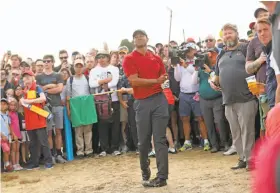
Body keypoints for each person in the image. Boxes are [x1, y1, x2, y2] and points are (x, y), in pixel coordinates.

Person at [123, 29, 169, 187]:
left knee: (160, 140)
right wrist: (156, 80)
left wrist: (163, 79)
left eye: (141, 35)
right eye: (135, 37)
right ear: (133, 41)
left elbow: (163, 78)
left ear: (147, 38)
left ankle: (162, 177)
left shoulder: (156, 57)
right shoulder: (129, 58)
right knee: (143, 142)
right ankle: (145, 169)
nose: (139, 38)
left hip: (159, 100)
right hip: (142, 102)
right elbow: (134, 81)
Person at [211, 23, 258, 170]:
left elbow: (255, 66)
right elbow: (217, 76)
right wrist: (213, 82)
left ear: (236, 33)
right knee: (236, 132)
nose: (227, 36)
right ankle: (242, 158)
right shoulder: (221, 55)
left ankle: (250, 159)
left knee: (247, 130)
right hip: (228, 99)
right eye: (225, 34)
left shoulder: (246, 48)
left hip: (247, 97)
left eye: (230, 32)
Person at [174, 43, 210, 152]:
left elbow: (196, 75)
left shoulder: (198, 60)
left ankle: (206, 141)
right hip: (184, 94)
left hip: (196, 93)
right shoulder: (181, 62)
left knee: (200, 118)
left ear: (194, 50)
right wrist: (177, 66)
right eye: (187, 50)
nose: (188, 52)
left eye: (190, 50)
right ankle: (187, 142)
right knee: (184, 118)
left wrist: (186, 66)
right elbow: (177, 78)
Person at [89, 50, 121, 157]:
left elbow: (114, 82)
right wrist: (103, 82)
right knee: (102, 125)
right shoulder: (93, 70)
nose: (101, 59)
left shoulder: (114, 69)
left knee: (115, 124)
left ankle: (115, 148)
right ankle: (104, 148)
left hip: (113, 99)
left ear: (108, 57)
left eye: (103, 57)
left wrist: (103, 83)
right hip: (100, 101)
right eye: (99, 57)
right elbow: (92, 84)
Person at [35, 55, 67, 164]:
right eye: (44, 61)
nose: (46, 63)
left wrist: (46, 90)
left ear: (53, 62)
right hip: (45, 107)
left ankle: (59, 154)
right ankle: (51, 155)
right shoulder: (38, 77)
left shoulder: (58, 75)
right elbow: (39, 91)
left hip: (57, 105)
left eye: (48, 61)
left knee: (58, 131)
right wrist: (50, 85)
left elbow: (60, 89)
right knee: (48, 132)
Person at [20, 70, 53, 169]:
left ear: (33, 78)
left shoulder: (37, 88)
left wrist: (28, 101)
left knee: (43, 142)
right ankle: (34, 163)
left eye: (28, 78)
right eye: (25, 78)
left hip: (39, 121)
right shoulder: (24, 90)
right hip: (29, 121)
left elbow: (43, 99)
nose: (26, 80)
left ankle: (48, 162)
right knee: (33, 144)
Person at [66, 59, 93, 158]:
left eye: (80, 66)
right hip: (76, 107)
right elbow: (68, 96)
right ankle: (80, 151)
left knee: (88, 129)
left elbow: (91, 92)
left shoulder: (87, 78)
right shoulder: (70, 80)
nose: (78, 68)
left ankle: (89, 150)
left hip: (87, 106)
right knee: (78, 130)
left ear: (83, 67)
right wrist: (68, 109)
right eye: (77, 66)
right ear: (74, 67)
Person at [8, 98, 23, 171]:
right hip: (13, 135)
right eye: (11, 105)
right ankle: (13, 164)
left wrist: (19, 134)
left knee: (17, 150)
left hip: (18, 134)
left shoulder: (16, 113)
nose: (13, 107)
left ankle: (17, 163)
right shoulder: (8, 114)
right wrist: (13, 134)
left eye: (14, 105)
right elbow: (10, 125)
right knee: (13, 150)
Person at [1, 98, 14, 172]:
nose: (2, 106)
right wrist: (2, 135)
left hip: (7, 136)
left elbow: (9, 125)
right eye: (1, 104)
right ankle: (7, 164)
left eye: (4, 104)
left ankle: (5, 166)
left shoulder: (7, 115)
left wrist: (11, 133)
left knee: (7, 151)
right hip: (2, 137)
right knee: (6, 149)